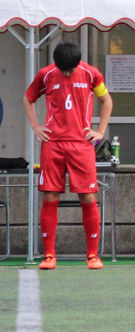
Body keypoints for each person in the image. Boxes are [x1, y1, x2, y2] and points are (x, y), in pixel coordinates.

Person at [23, 41, 113, 270]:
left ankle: (92, 255)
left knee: (88, 197)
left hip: (81, 145)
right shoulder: (46, 74)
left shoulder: (91, 74)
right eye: (63, 69)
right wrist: (36, 127)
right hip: (52, 144)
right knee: (50, 196)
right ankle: (49, 256)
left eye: (70, 69)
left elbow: (107, 101)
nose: (67, 73)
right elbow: (28, 98)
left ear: (77, 63)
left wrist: (100, 132)